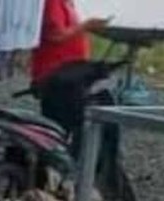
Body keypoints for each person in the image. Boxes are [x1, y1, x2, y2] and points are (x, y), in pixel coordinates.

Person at [31, 0, 111, 135]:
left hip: (70, 75)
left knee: (72, 123)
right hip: (57, 76)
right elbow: (55, 34)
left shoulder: (67, 3)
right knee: (58, 126)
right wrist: (86, 25)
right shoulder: (53, 2)